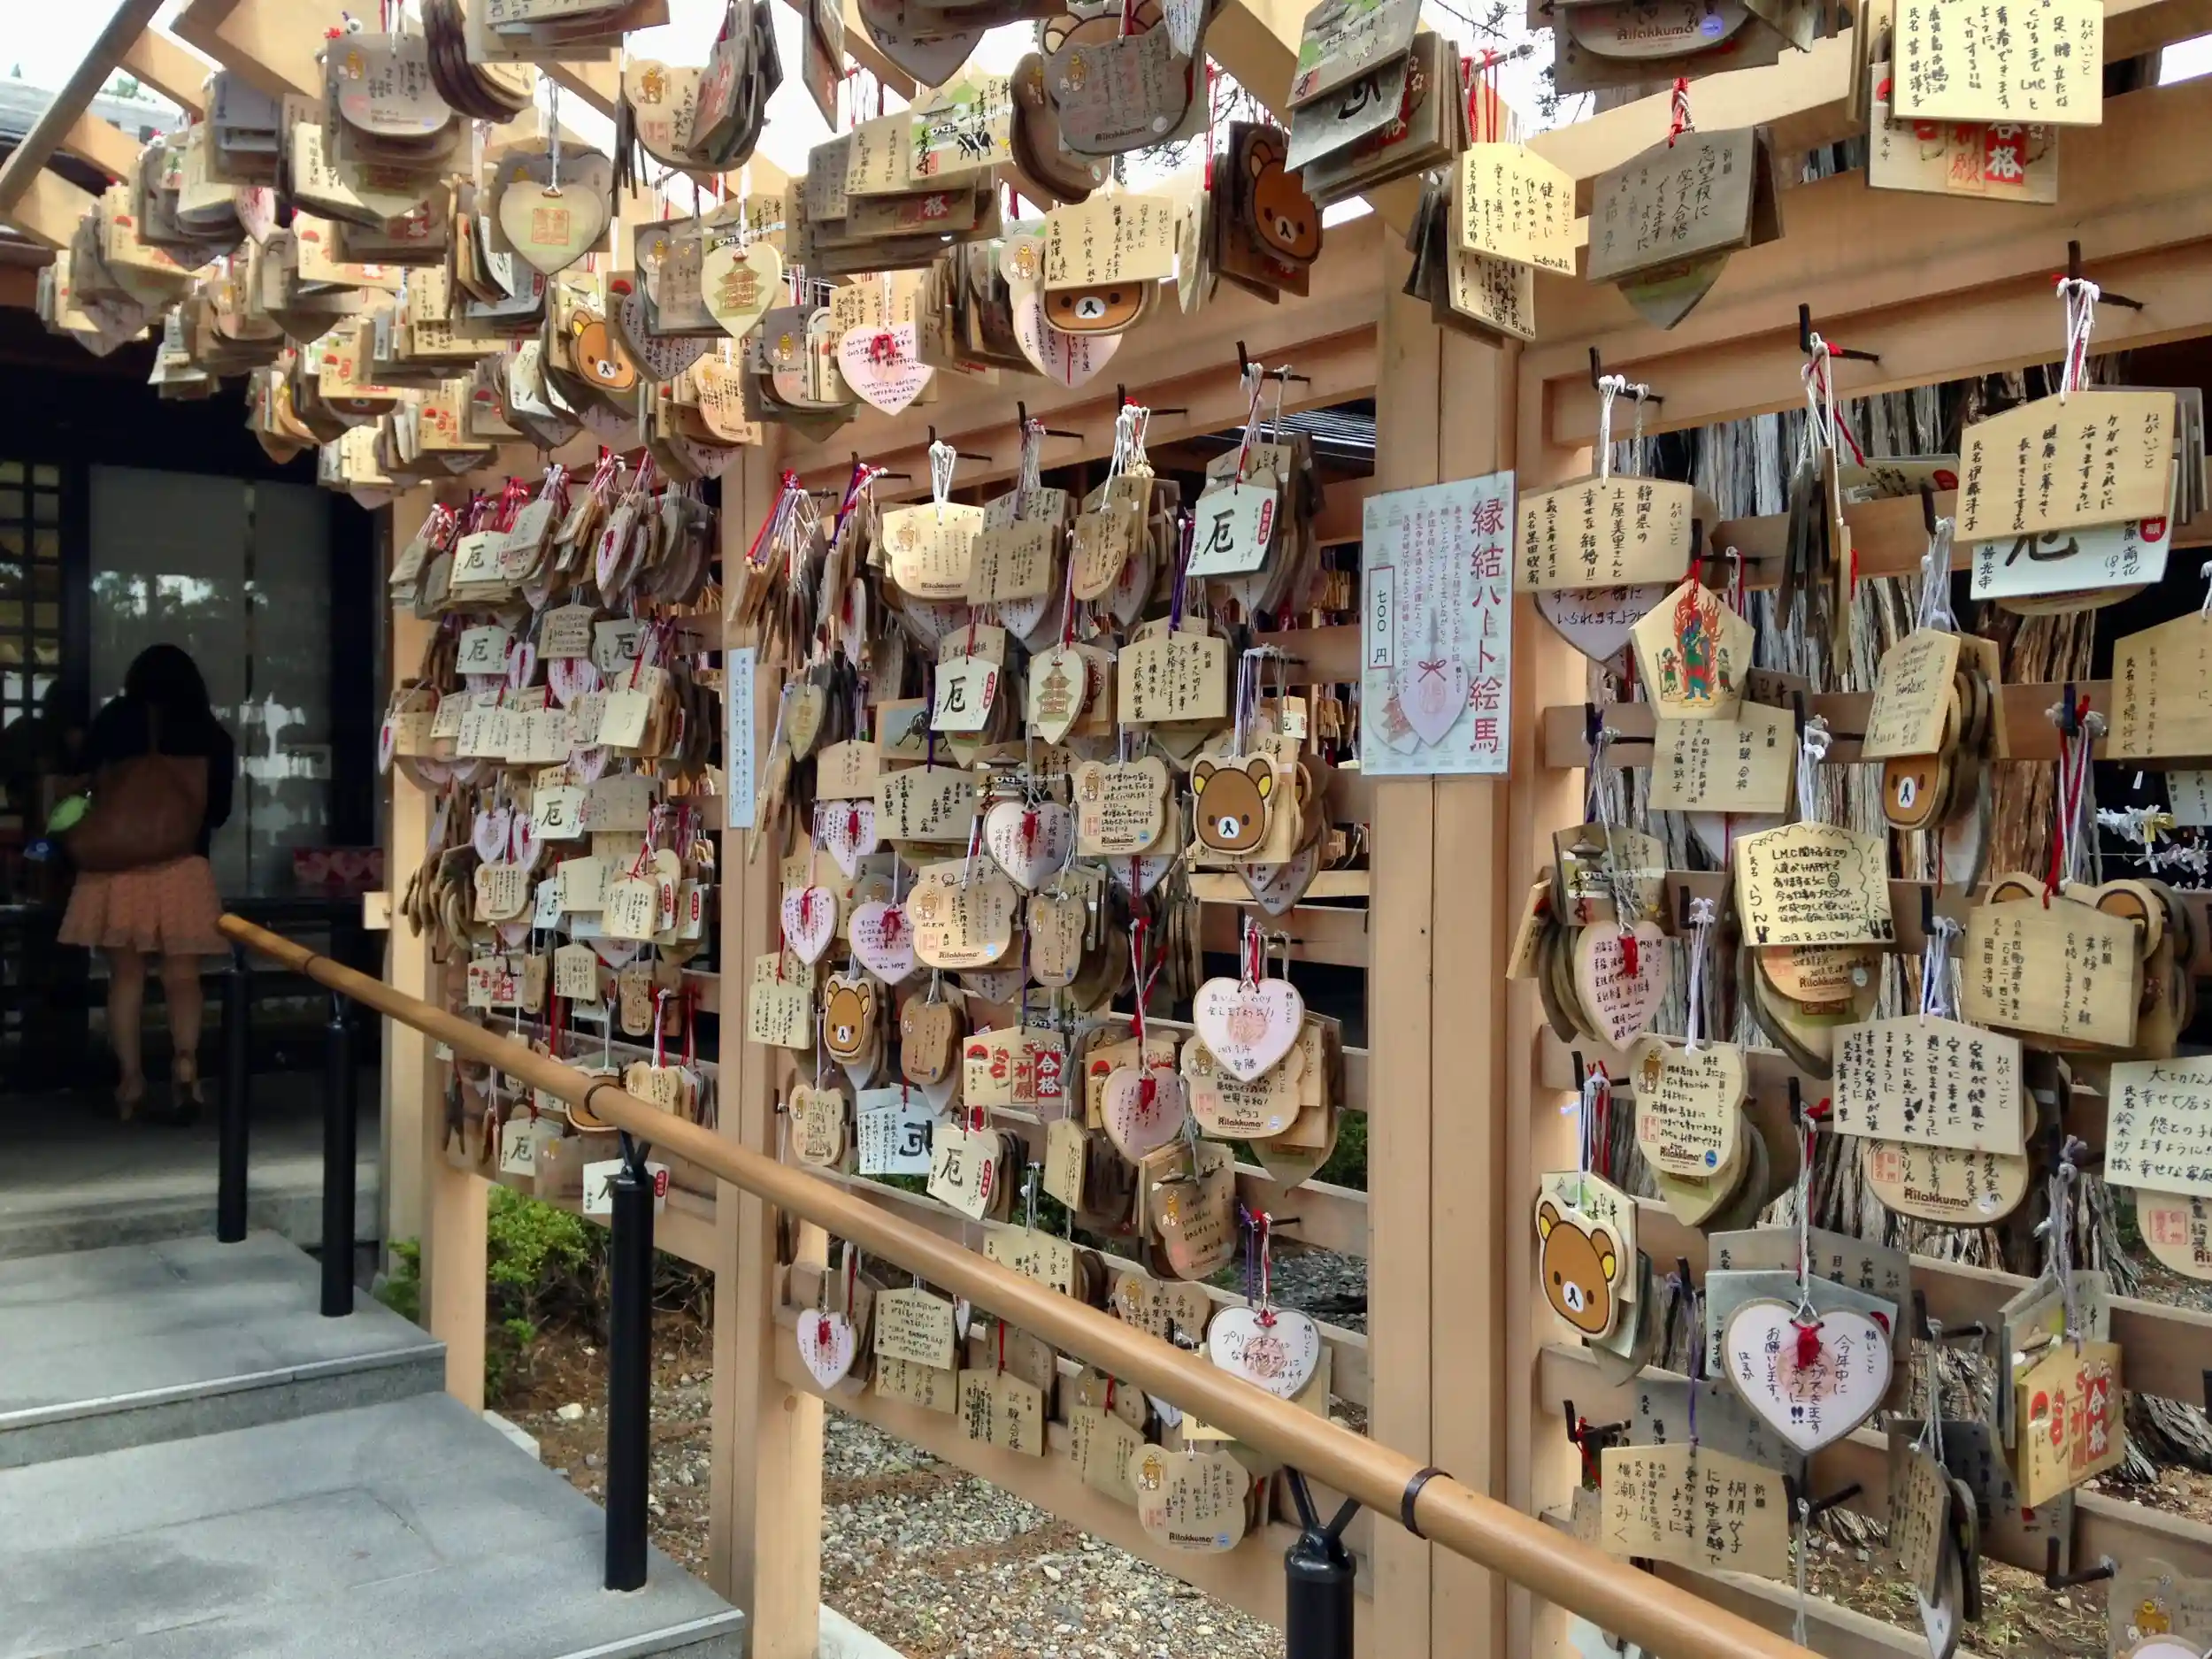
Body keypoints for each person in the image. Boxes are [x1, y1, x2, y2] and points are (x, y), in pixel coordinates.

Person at [58, 646, 237, 1124]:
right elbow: (219, 811)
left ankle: (131, 1080)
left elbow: (82, 790)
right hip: (182, 868)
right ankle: (186, 1066)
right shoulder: (208, 732)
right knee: (182, 977)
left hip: (114, 870)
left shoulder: (114, 722)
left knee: (126, 977)